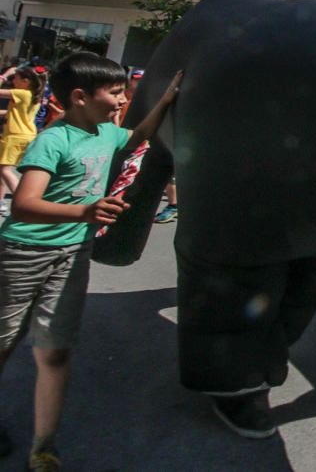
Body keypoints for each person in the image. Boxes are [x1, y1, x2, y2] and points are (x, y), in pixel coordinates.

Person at [0, 53, 182, 471]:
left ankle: (43, 445)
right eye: (115, 92)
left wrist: (166, 99)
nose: (122, 99)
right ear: (80, 97)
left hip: (72, 256)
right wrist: (86, 212)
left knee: (55, 352)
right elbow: (25, 204)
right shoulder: (53, 140)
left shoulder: (105, 133)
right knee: (4, 344)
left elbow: (137, 137)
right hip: (23, 255)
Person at [0, 66, 44, 216]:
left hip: (15, 135)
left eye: (16, 78)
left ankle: (22, 200)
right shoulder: (32, 95)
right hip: (23, 135)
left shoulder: (22, 93)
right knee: (3, 170)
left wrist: (4, 75)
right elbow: (13, 113)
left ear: (26, 81)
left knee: (4, 170)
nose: (13, 80)